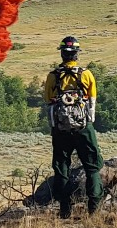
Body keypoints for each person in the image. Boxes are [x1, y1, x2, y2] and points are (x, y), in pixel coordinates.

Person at [43, 36, 104, 218]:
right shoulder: (86, 74)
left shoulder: (53, 76)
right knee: (92, 166)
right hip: (83, 128)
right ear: (77, 54)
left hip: (61, 129)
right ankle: (94, 208)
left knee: (62, 167)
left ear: (62, 54)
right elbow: (92, 100)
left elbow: (48, 99)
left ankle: (64, 210)